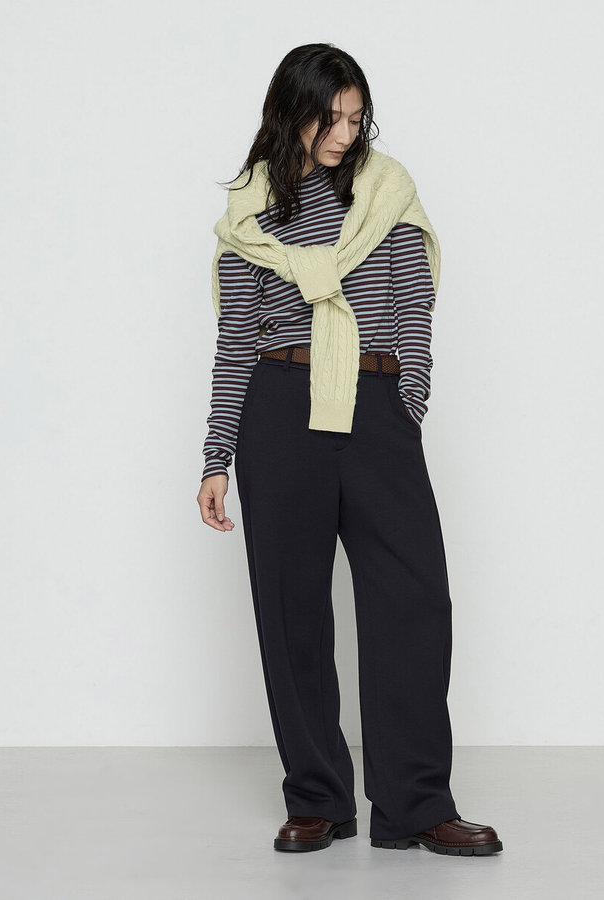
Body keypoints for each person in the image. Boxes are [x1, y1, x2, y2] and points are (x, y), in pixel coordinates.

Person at [196, 42, 503, 857]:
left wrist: (406, 404)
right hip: (278, 407)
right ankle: (318, 800)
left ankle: (416, 804)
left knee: (412, 605)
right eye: (328, 117)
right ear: (289, 112)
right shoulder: (250, 213)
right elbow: (235, 341)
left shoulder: (386, 190)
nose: (343, 132)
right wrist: (216, 456)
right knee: (291, 612)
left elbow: (413, 308)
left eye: (355, 117)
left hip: (373, 404)